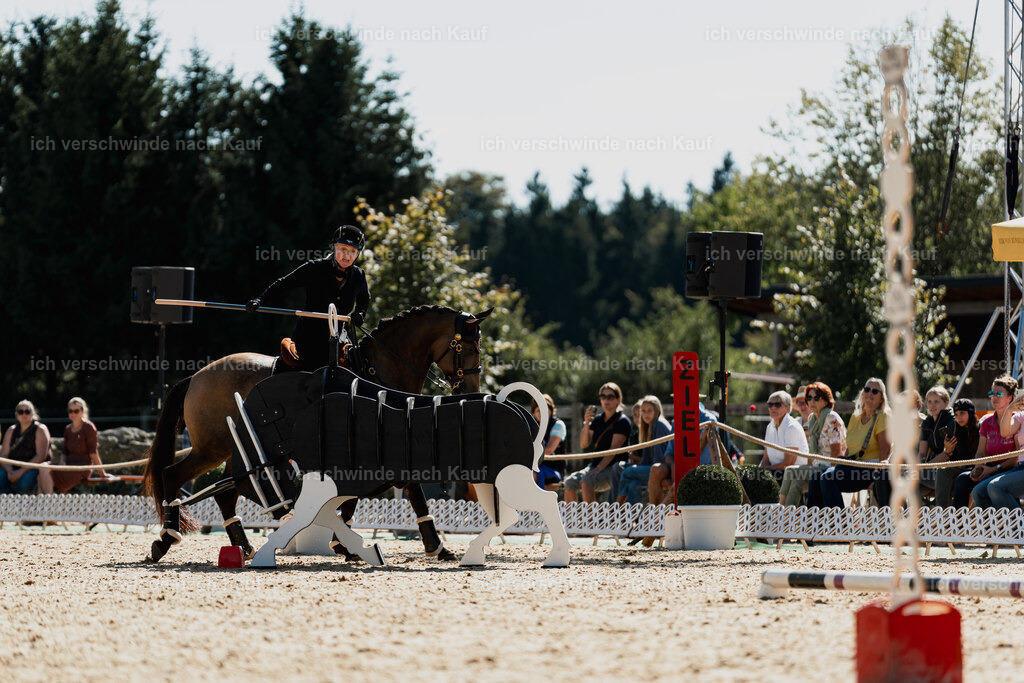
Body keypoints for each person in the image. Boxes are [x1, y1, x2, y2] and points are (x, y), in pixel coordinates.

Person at [247, 225, 370, 372]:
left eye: (352, 251)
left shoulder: (359, 276)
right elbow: (284, 283)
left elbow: (364, 299)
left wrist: (360, 313)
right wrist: (260, 300)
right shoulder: (314, 268)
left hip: (339, 339)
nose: (347, 255)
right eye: (343, 249)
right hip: (308, 339)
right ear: (334, 248)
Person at [808, 377, 891, 508]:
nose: (870, 393)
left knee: (827, 478)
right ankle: (815, 523)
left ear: (881, 398)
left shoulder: (883, 416)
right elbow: (848, 448)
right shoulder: (855, 417)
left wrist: (877, 476)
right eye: (867, 389)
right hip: (852, 465)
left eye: (875, 391)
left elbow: (885, 450)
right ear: (862, 393)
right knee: (815, 478)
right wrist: (840, 465)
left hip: (870, 470)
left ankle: (839, 524)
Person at [951, 377, 1022, 507]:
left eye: (999, 394)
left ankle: (1000, 523)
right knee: (963, 479)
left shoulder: (1017, 420)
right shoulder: (986, 422)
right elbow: (980, 452)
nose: (994, 397)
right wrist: (978, 467)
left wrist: (992, 469)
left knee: (986, 488)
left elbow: (1015, 458)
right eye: (992, 393)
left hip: (1008, 470)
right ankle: (957, 522)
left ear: (1010, 398)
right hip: (989, 468)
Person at [563, 382, 631, 503]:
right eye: (603, 396)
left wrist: (598, 469)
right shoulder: (597, 420)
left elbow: (613, 451)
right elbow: (584, 444)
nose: (606, 400)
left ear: (618, 399)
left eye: (610, 397)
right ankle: (572, 520)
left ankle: (592, 520)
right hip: (595, 466)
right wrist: (587, 423)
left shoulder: (622, 421)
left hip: (614, 468)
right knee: (569, 483)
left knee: (586, 481)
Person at [779, 381, 844, 505]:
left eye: (816, 398)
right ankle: (786, 517)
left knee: (790, 471)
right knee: (796, 481)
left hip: (829, 469)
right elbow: (812, 451)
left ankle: (780, 511)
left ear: (825, 400)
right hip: (816, 466)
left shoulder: (831, 418)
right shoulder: (812, 418)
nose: (812, 401)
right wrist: (808, 467)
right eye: (809, 398)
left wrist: (831, 476)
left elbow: (836, 451)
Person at [38, 397, 109, 494]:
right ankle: (44, 505)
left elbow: (93, 453)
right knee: (42, 471)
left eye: (76, 411)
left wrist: (102, 474)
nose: (73, 414)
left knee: (44, 473)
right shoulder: (68, 429)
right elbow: (64, 452)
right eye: (70, 411)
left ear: (82, 411)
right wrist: (62, 462)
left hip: (81, 468)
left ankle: (50, 503)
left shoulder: (88, 427)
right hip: (68, 466)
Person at [616, 395, 672, 504]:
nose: (646, 414)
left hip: (663, 468)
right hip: (652, 466)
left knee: (627, 473)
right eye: (643, 411)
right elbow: (646, 459)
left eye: (649, 411)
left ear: (656, 410)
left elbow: (659, 459)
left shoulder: (658, 424)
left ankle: (616, 508)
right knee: (632, 482)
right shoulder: (648, 426)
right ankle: (633, 516)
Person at [927, 398, 978, 507]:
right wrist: (948, 451)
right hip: (958, 469)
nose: (959, 418)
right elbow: (952, 459)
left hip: (974, 469)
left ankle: (946, 513)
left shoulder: (980, 429)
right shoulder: (955, 429)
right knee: (939, 471)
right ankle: (941, 512)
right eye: (956, 414)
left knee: (947, 474)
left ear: (971, 413)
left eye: (962, 413)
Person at [0, 400, 51, 494]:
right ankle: (11, 504)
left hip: (33, 467)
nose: (24, 414)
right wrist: (10, 470)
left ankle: (21, 506)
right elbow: (3, 455)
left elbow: (40, 456)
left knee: (24, 484)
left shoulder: (40, 429)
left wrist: (20, 472)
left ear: (33, 413)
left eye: (27, 411)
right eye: (20, 412)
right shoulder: (11, 430)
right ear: (16, 414)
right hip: (12, 467)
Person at [759, 391, 808, 485]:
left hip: (794, 474)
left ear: (788, 407)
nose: (773, 407)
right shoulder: (770, 427)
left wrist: (766, 470)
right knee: (748, 477)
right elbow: (765, 458)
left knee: (760, 480)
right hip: (775, 472)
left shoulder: (791, 427)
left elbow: (788, 464)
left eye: (777, 404)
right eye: (770, 404)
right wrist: (758, 469)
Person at [532, 393, 567, 490]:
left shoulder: (558, 425)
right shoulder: (533, 427)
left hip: (554, 470)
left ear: (551, 410)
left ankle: (538, 504)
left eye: (545, 409)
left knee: (530, 476)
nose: (542, 412)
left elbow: (548, 450)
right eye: (538, 410)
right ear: (534, 413)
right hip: (536, 467)